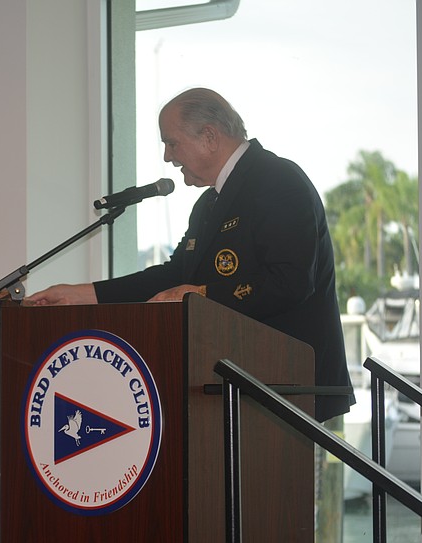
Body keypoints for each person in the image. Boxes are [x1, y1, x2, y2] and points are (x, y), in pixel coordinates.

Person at [27, 87, 353, 422]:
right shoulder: (209, 203)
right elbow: (176, 276)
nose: (168, 156)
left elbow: (291, 282)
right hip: (233, 386)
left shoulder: (279, 180)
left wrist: (199, 295)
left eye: (171, 142)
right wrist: (81, 295)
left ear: (210, 137)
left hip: (287, 386)